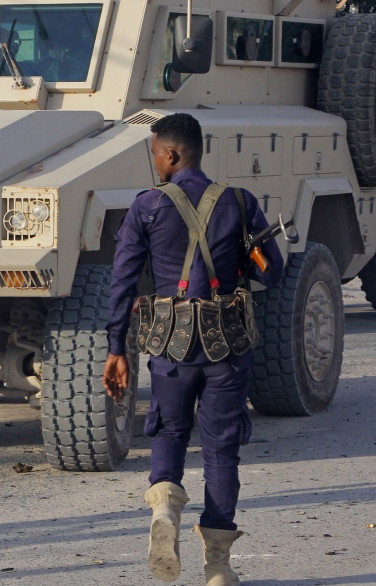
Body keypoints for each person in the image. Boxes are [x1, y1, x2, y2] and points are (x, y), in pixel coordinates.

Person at [104, 113, 283, 586]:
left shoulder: (146, 206)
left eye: (155, 153)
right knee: (222, 451)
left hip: (170, 344)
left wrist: (115, 347)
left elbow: (121, 282)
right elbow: (273, 273)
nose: (155, 161)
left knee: (168, 433)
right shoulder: (241, 203)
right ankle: (219, 567)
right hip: (227, 346)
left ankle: (164, 505)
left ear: (173, 154)